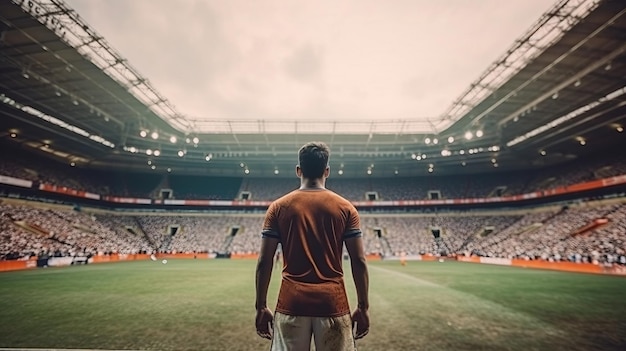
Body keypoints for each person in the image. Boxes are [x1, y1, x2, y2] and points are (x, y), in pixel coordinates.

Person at [255, 141, 370, 351]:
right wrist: (363, 307)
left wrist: (261, 306)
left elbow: (264, 261)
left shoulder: (278, 208)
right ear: (327, 171)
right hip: (333, 303)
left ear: (298, 170)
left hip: (291, 303)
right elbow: (359, 261)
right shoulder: (346, 208)